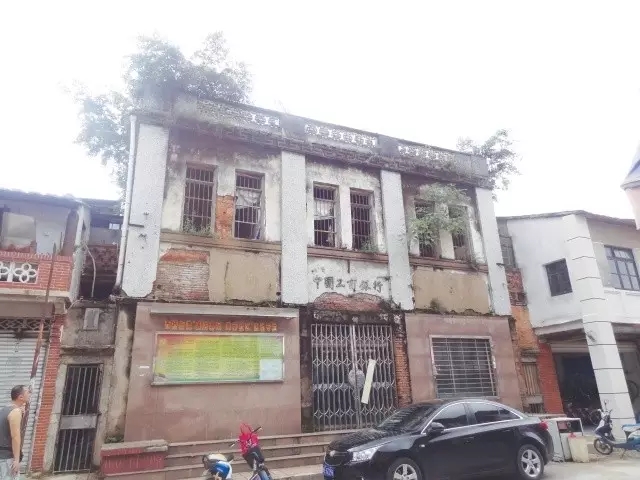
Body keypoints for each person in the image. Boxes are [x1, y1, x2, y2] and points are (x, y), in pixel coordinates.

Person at [0, 385, 30, 479]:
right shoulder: (15, 412)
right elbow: (15, 437)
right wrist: (16, 460)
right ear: (20, 397)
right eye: (27, 392)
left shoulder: (5, 409)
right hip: (7, 458)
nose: (29, 394)